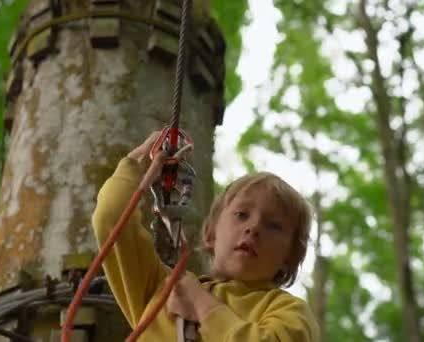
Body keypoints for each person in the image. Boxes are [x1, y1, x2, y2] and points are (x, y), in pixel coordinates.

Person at [92, 131, 320, 341]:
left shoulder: (287, 310)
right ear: (211, 233)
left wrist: (202, 306)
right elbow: (112, 220)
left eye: (274, 226)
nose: (254, 228)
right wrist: (137, 164)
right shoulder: (162, 290)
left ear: (290, 256)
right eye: (241, 215)